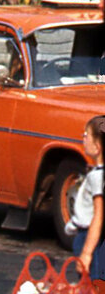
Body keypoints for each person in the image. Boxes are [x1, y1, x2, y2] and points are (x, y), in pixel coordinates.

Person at [65, 115, 105, 282]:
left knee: (92, 286)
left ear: (97, 147)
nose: (83, 138)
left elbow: (98, 216)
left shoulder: (98, 177)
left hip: (91, 238)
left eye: (86, 134)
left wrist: (87, 252)